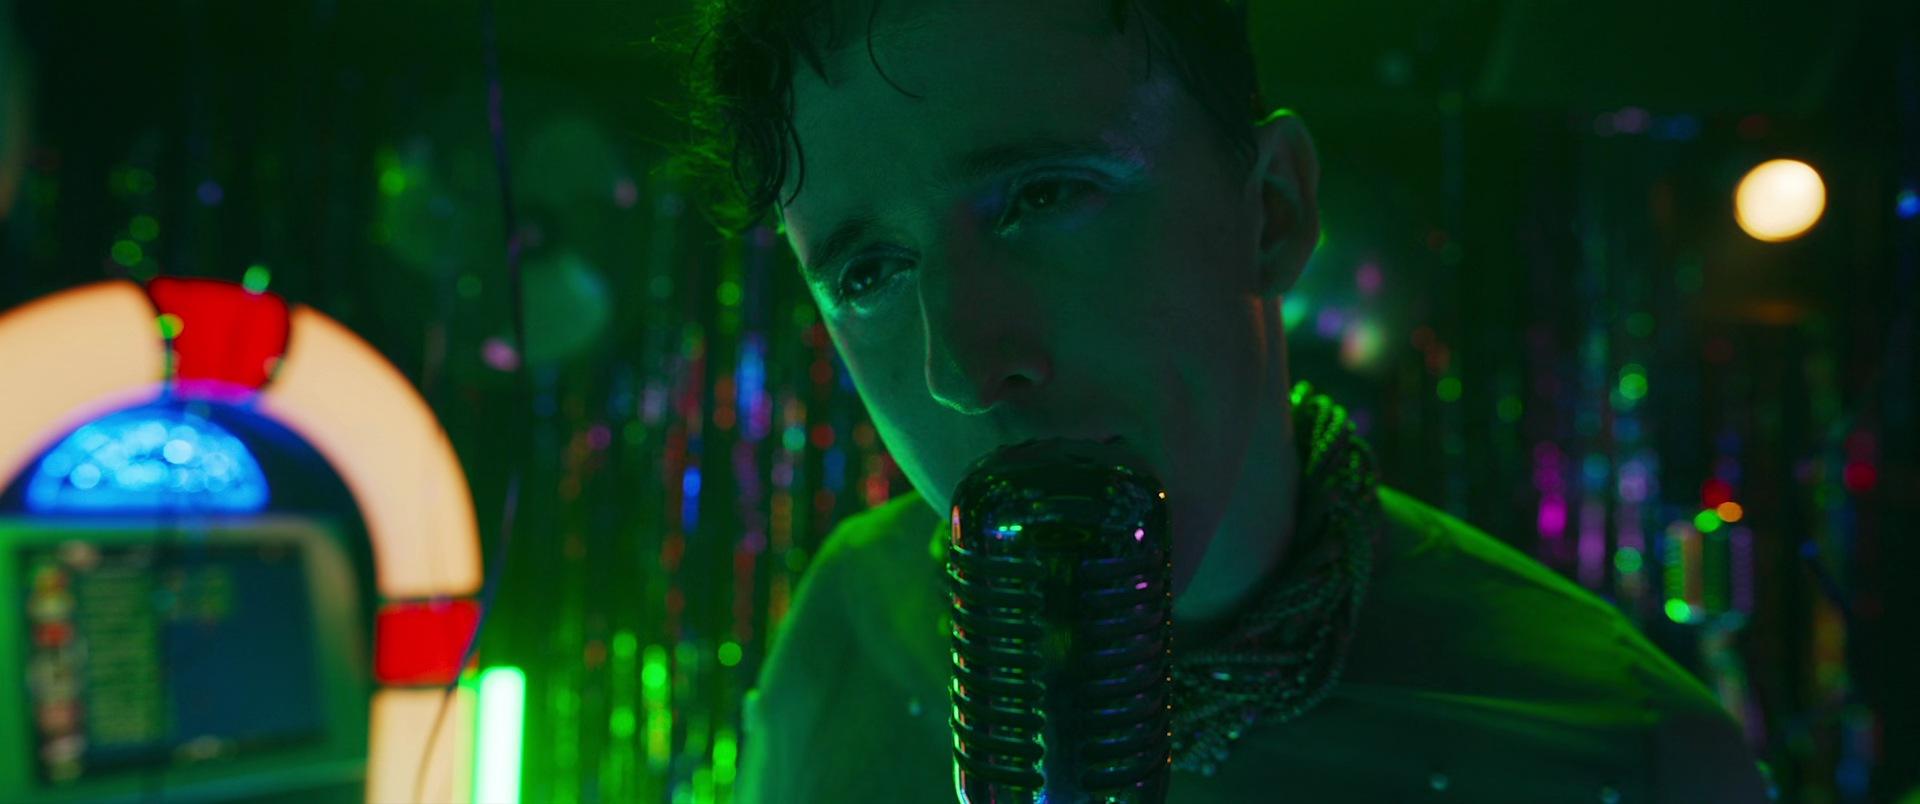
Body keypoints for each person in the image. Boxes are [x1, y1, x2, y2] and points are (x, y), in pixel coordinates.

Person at [662, 1, 1773, 800]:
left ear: (1272, 212)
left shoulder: (1626, 753)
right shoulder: (847, 626)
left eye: (1042, 197)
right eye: (869, 271)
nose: (963, 368)